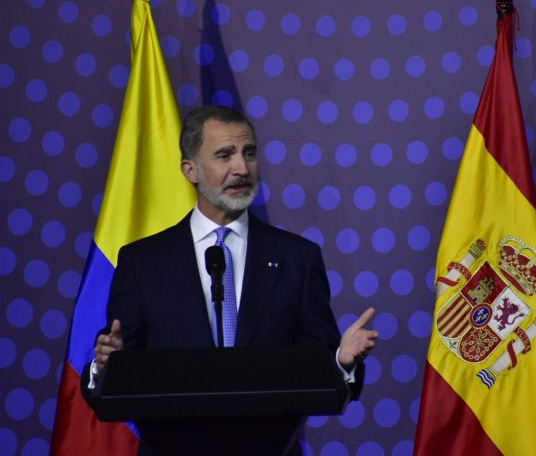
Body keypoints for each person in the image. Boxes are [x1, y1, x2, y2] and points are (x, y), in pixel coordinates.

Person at [87, 105, 378, 455]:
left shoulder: (297, 259)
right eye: (225, 155)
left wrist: (340, 362)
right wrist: (109, 365)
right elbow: (113, 382)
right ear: (190, 170)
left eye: (249, 153)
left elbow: (319, 375)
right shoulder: (143, 261)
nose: (242, 168)